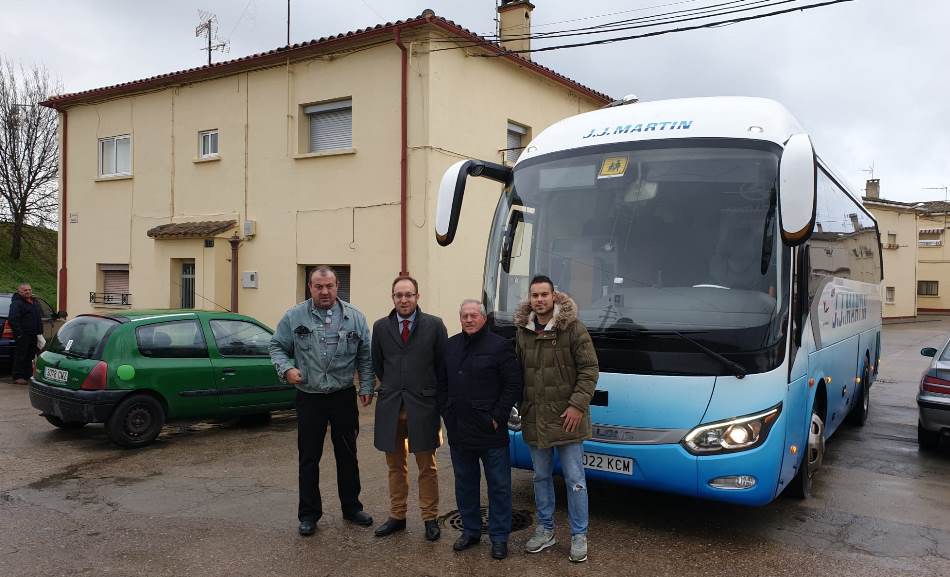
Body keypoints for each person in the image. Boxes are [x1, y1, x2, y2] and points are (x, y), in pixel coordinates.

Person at [269, 266, 375, 537]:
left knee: (347, 456)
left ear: (337, 286)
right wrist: (286, 369)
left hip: (342, 397)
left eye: (329, 286)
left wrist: (365, 386)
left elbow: (365, 354)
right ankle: (308, 515)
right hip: (309, 397)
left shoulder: (355, 317)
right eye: (319, 286)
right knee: (309, 458)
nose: (325, 291)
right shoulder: (294, 317)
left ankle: (352, 508)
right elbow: (276, 346)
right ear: (310, 287)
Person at [514, 275, 599, 563]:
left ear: (554, 297)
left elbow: (590, 370)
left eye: (544, 295)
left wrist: (577, 405)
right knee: (540, 477)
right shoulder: (522, 331)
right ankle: (546, 530)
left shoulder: (573, 328)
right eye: (534, 295)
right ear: (530, 298)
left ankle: (578, 534)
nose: (539, 300)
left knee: (575, 479)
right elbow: (517, 373)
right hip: (535, 417)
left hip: (568, 419)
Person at [440, 299, 522, 560]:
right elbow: (440, 383)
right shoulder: (450, 346)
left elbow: (513, 384)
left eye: (474, 315)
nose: (469, 319)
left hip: (491, 431)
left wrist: (497, 416)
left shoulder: (500, 346)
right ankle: (471, 531)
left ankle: (499, 537)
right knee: (465, 484)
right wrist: (447, 412)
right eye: (464, 315)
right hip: (459, 430)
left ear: (483, 319)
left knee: (499, 486)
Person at [371, 275, 447, 542]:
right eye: (398, 295)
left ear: (417, 296)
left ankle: (430, 518)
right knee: (395, 467)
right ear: (392, 298)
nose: (404, 300)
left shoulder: (435, 326)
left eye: (408, 295)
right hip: (391, 407)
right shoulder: (380, 327)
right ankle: (397, 516)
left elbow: (442, 367)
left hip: (424, 406)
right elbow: (379, 365)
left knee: (428, 467)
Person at [9, 283, 43, 385]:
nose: (28, 292)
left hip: (33, 335)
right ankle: (18, 376)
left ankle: (28, 375)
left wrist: (39, 331)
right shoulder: (17, 303)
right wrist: (19, 334)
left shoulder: (33, 302)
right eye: (25, 290)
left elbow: (37, 317)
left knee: (30, 356)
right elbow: (13, 319)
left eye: (29, 289)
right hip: (23, 335)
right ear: (19, 292)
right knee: (21, 356)